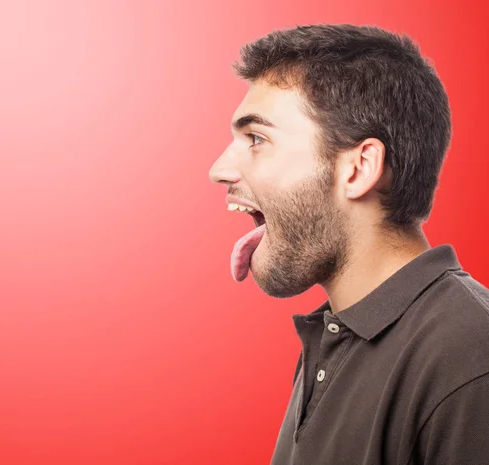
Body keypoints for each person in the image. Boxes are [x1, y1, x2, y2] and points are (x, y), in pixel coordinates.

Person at [208, 24, 489, 465]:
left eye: (257, 139)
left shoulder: (471, 358)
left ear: (359, 169)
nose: (220, 169)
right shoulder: (334, 337)